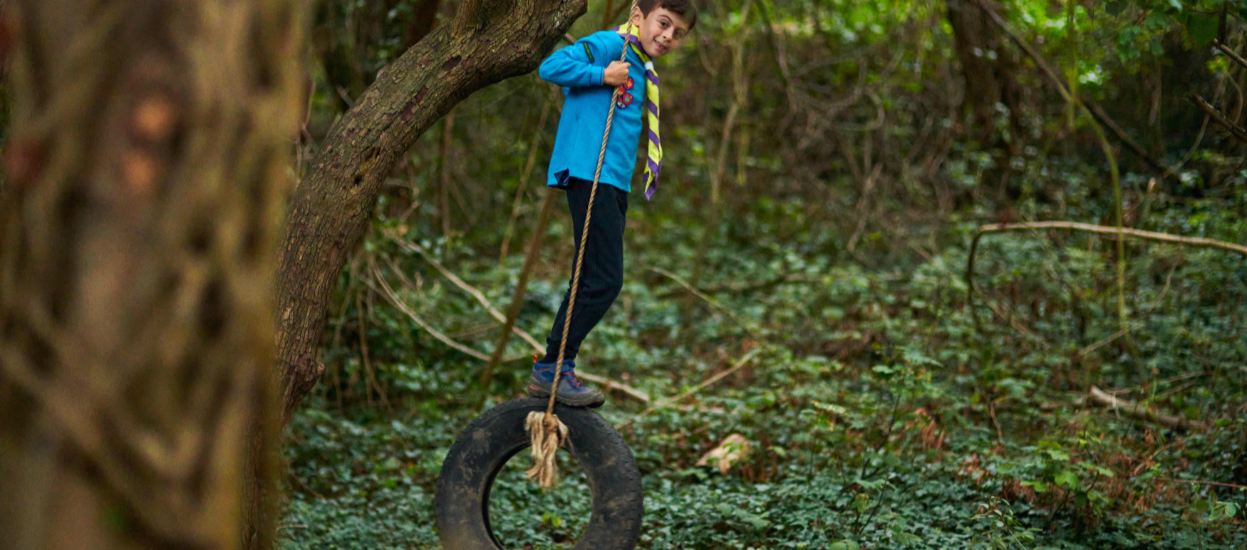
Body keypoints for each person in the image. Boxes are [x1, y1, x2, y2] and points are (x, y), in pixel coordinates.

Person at [526, 0, 697, 407]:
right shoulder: (609, 46)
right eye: (664, 23)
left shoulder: (643, 68)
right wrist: (600, 75)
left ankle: (556, 367)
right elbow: (550, 67)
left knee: (588, 277)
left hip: (614, 181)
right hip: (589, 169)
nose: (668, 36)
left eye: (678, 33)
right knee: (605, 279)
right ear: (638, 16)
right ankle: (552, 365)